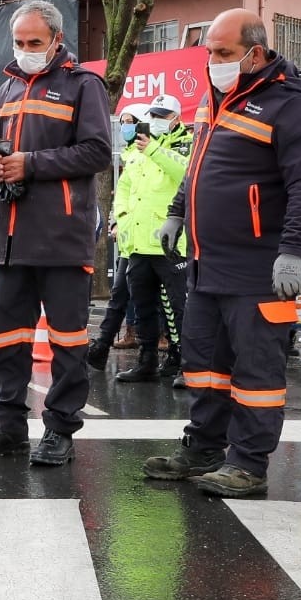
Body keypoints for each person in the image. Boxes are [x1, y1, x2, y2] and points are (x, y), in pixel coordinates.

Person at [144, 8, 301, 497]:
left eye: (224, 53)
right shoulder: (215, 98)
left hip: (258, 268)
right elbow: (198, 166)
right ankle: (204, 447)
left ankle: (248, 463)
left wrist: (294, 250)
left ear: (257, 52)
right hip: (207, 264)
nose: (213, 62)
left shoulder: (290, 103)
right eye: (209, 52)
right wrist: (178, 210)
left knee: (256, 373)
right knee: (204, 367)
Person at [0, 0, 113, 467]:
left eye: (34, 43)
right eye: (19, 43)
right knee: (8, 339)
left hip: (62, 238)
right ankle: (7, 427)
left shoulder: (83, 85)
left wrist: (29, 163)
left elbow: (96, 152)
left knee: (67, 344)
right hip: (10, 238)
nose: (25, 50)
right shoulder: (6, 87)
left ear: (56, 41)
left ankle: (60, 431)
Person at [94, 94, 192, 386]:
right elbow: (124, 187)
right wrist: (121, 217)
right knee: (143, 305)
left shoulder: (183, 144)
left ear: (176, 118)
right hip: (137, 243)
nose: (158, 121)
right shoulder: (136, 150)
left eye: (164, 116)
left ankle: (188, 364)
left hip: (171, 244)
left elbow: (186, 172)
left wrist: (154, 150)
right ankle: (147, 362)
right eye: (155, 115)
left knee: (180, 307)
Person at [89, 105, 147, 367]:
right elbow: (122, 196)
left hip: (155, 242)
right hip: (129, 240)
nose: (125, 127)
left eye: (130, 122)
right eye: (123, 122)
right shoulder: (130, 156)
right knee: (119, 295)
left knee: (153, 299)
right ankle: (102, 345)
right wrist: (116, 223)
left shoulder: (156, 155)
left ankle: (159, 350)